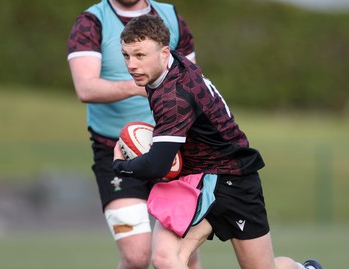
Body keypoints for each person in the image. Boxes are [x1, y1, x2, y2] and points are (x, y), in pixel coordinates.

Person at [112, 14, 324, 269]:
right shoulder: (169, 66)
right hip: (196, 179)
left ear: (165, 52)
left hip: (234, 179)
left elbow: (157, 166)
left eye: (140, 55)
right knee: (165, 258)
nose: (132, 65)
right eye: (126, 55)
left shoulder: (174, 97)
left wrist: (119, 164)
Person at [67, 1, 201, 268]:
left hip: (170, 147)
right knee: (136, 256)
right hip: (116, 151)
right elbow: (86, 88)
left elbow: (191, 79)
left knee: (182, 254)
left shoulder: (170, 16)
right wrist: (141, 86)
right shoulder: (91, 22)